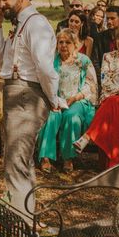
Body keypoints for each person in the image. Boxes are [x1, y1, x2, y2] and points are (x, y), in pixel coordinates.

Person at [0, 0, 60, 219]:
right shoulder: (18, 25)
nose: (1, 4)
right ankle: (27, 221)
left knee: (15, 163)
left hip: (27, 95)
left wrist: (53, 98)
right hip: (15, 92)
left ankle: (19, 224)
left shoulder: (36, 24)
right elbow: (0, 61)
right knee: (21, 159)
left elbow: (44, 68)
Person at [74, 26, 119, 169]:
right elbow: (106, 83)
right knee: (113, 108)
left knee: (111, 108)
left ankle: (88, 136)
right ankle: (111, 166)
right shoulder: (108, 56)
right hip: (111, 99)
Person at [37, 29, 97, 173]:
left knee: (71, 116)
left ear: (75, 44)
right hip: (55, 100)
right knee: (52, 116)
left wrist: (76, 98)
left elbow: (91, 85)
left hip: (78, 100)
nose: (63, 45)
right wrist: (53, 100)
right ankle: (45, 157)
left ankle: (68, 158)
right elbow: (44, 82)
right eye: (60, 42)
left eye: (67, 42)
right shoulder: (52, 61)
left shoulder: (83, 61)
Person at [91, 5, 119, 81]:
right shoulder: (99, 37)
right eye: (107, 18)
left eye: (112, 18)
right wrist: (103, 80)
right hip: (104, 79)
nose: (109, 21)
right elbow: (95, 62)